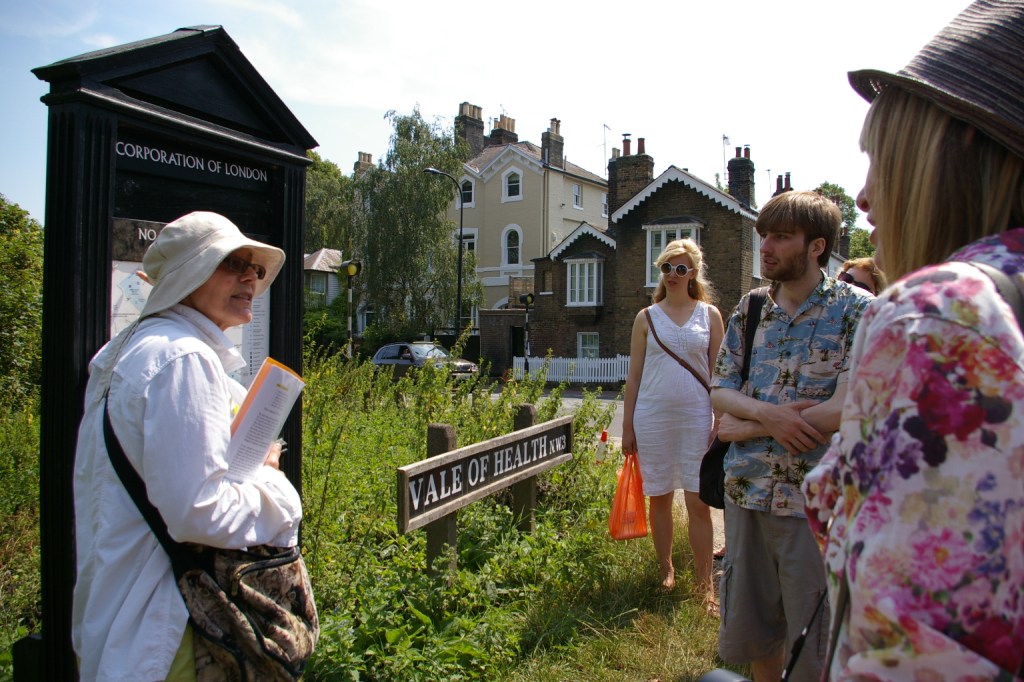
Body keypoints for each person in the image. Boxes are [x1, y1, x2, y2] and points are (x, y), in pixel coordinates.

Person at [803, 1, 1024, 677]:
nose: (864, 196)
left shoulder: (941, 319)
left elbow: (911, 657)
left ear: (954, 141)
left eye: (880, 158)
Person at [73, 211, 304, 681]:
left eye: (255, 268)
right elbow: (200, 511)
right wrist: (275, 484)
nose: (250, 277)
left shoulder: (129, 349)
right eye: (231, 262)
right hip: (171, 630)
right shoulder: (183, 358)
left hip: (122, 620)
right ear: (188, 275)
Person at [711, 191, 873, 682]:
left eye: (781, 237)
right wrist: (772, 415)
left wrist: (749, 423)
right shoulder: (751, 308)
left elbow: (847, 407)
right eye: (765, 235)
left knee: (813, 644)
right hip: (747, 493)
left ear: (816, 245)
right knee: (757, 635)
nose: (767, 246)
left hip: (816, 506)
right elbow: (720, 391)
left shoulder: (857, 310)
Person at [621, 238, 725, 610]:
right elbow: (634, 377)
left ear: (694, 272)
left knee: (699, 502)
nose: (674, 274)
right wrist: (628, 426)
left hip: (697, 418)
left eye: (681, 268)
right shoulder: (646, 318)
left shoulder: (709, 315)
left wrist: (720, 420)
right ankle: (666, 569)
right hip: (652, 418)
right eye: (667, 267)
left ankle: (704, 586)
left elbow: (720, 374)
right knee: (660, 496)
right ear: (661, 271)